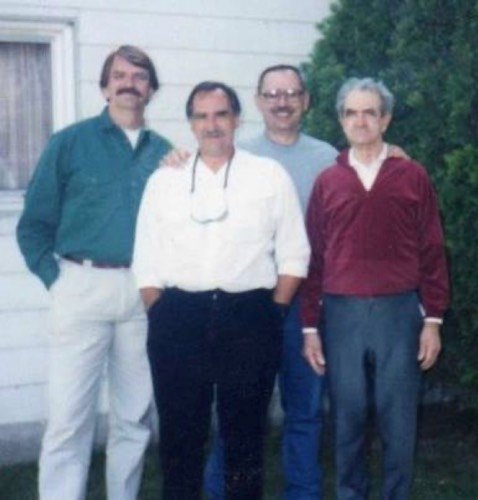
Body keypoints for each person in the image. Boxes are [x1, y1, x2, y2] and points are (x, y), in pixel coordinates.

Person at [132, 81, 310, 499]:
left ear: (237, 119)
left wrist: (273, 312)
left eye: (221, 114)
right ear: (191, 123)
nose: (212, 125)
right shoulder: (165, 180)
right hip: (179, 317)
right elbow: (145, 260)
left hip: (249, 316)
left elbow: (294, 254)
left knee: (245, 436)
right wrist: (161, 311)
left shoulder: (268, 175)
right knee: (180, 436)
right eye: (202, 116)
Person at [16, 45, 171, 500]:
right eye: (119, 75)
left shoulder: (164, 154)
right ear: (104, 87)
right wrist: (58, 280)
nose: (128, 84)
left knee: (133, 415)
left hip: (140, 292)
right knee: (69, 417)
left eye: (139, 77)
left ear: (151, 89)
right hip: (80, 286)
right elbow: (33, 225)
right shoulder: (69, 143)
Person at [300, 77, 449, 499]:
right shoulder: (328, 181)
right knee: (347, 416)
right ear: (341, 120)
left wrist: (433, 320)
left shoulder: (412, 176)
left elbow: (432, 248)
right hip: (342, 313)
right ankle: (351, 493)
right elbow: (314, 256)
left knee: (398, 419)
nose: (360, 121)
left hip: (398, 312)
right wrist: (310, 326)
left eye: (370, 112)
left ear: (385, 120)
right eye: (351, 113)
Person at [204, 64, 337, 500]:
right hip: (251, 301)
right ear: (259, 101)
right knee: (240, 410)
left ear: (306, 101)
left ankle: (303, 493)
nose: (282, 102)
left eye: (292, 93)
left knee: (305, 409)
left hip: (307, 305)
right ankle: (223, 492)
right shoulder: (235, 158)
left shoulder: (328, 158)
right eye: (273, 94)